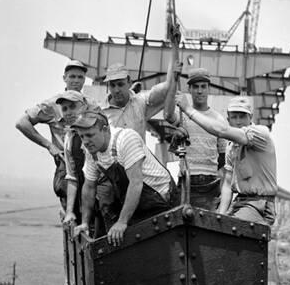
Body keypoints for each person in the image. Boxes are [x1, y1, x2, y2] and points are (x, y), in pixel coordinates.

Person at [72, 111, 179, 246]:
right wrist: (85, 223)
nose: (85, 142)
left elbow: (136, 183)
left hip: (161, 200)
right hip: (139, 203)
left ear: (105, 130)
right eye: (82, 137)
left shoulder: (126, 139)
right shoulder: (92, 150)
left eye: (90, 135)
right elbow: (89, 186)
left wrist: (122, 222)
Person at [175, 94, 277, 225]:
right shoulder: (232, 147)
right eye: (234, 117)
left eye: (242, 116)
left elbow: (221, 131)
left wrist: (188, 109)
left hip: (260, 204)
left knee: (229, 230)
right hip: (241, 203)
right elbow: (228, 184)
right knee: (213, 226)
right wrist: (219, 215)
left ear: (251, 117)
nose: (238, 121)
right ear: (228, 119)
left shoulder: (260, 133)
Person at [15, 60, 89, 211]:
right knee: (65, 189)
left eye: (80, 77)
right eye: (72, 76)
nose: (76, 81)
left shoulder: (89, 103)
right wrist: (49, 145)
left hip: (88, 161)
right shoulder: (53, 104)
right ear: (64, 78)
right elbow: (22, 123)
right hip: (66, 160)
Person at [164, 67, 227, 210]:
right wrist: (173, 84)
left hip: (210, 184)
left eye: (203, 87)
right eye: (196, 87)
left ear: (208, 89)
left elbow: (222, 157)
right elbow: (167, 115)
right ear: (190, 90)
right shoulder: (182, 115)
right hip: (186, 181)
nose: (200, 91)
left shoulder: (219, 119)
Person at [55, 91, 100, 224]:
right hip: (86, 199)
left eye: (72, 107)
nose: (68, 112)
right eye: (64, 109)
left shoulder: (97, 129)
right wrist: (69, 211)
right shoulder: (69, 137)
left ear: (84, 106)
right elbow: (72, 176)